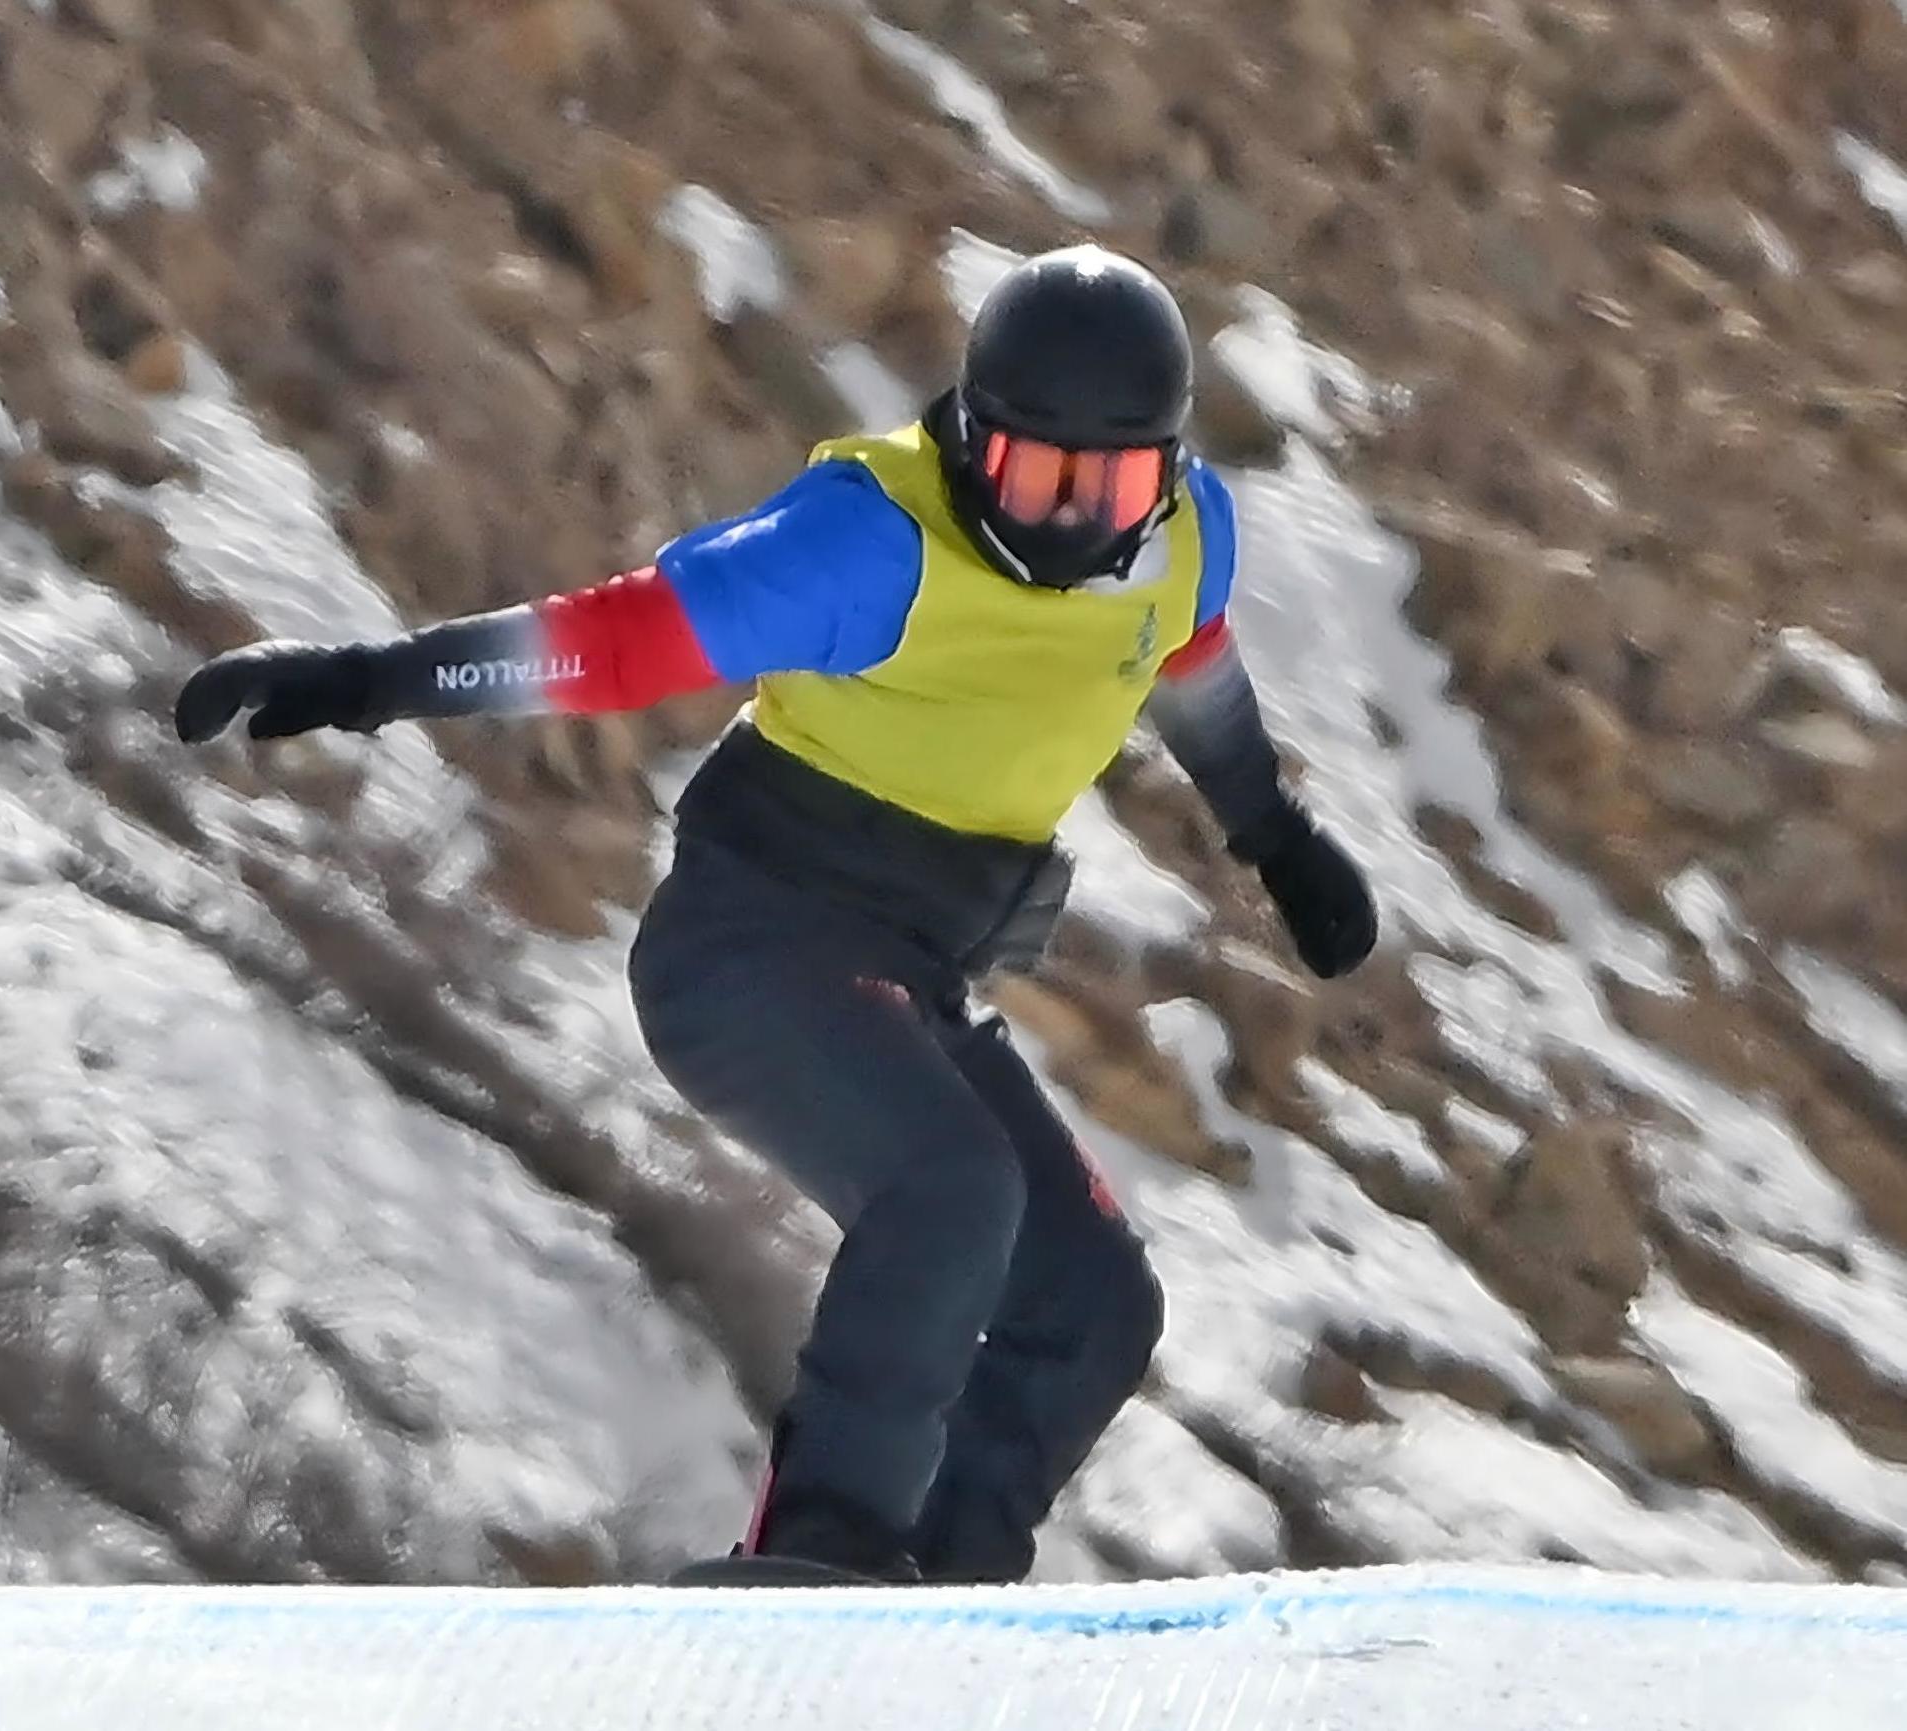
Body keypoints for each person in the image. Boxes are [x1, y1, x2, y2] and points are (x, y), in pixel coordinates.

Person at [172, 244, 1378, 1584]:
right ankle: (819, 1563)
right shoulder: (872, 542)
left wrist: (1275, 835)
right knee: (949, 1190)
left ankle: (946, 1600)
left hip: (913, 969)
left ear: (1166, 468)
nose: (1070, 524)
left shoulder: (1184, 537)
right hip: (753, 947)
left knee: (1089, 1302)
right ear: (971, 438)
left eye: (1112, 488)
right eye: (1034, 477)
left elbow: (1188, 656)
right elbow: (616, 642)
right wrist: (364, 680)